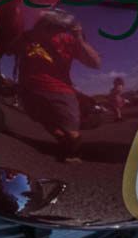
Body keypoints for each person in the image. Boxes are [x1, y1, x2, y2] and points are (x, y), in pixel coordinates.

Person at [15, 10, 102, 161]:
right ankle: (64, 143)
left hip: (59, 89)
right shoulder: (27, 37)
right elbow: (8, 49)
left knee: (70, 128)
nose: (49, 27)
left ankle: (74, 154)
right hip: (28, 88)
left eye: (53, 24)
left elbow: (95, 63)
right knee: (42, 119)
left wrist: (79, 38)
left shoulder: (67, 40)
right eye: (45, 23)